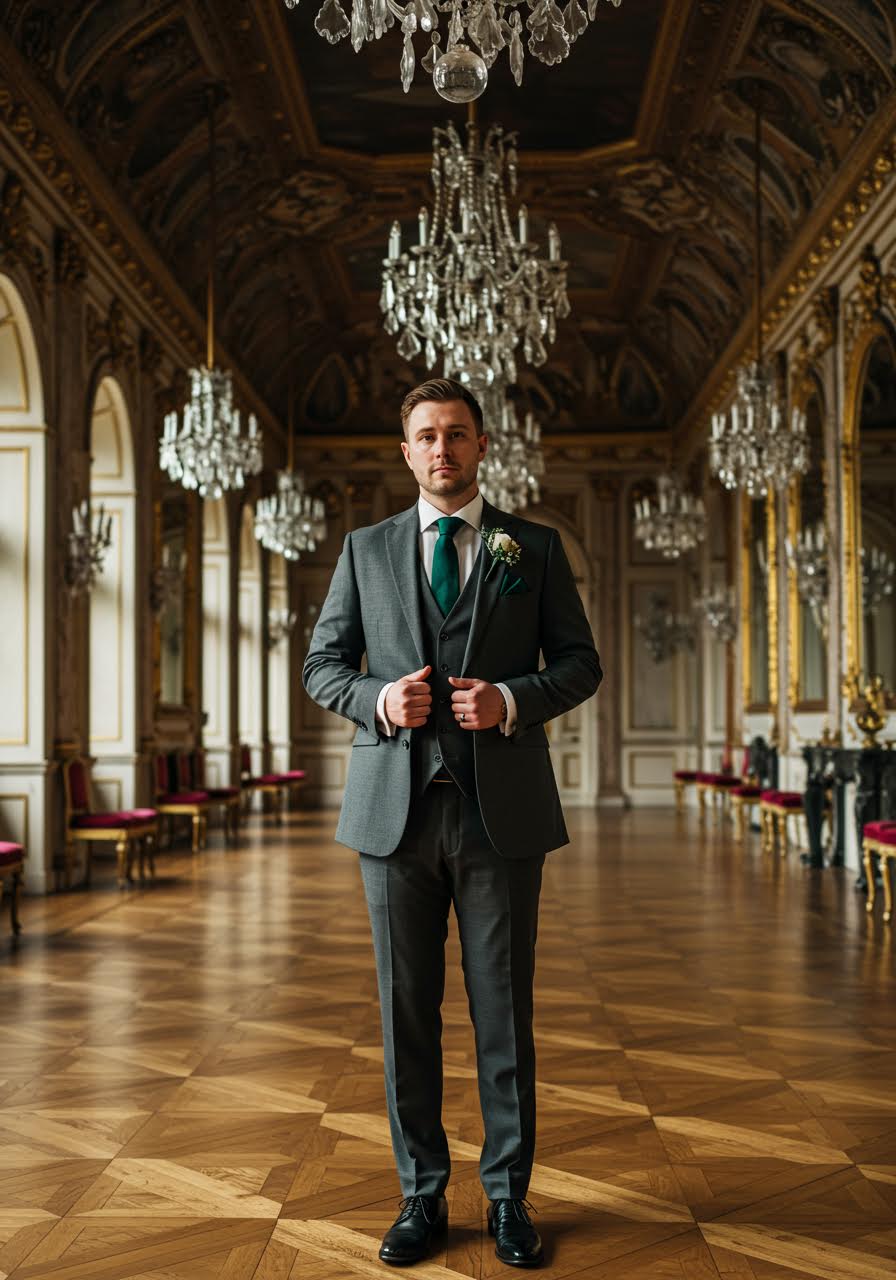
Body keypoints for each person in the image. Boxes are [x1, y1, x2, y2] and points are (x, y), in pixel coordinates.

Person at [302, 377, 602, 1268]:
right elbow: (322, 665)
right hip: (391, 818)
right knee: (406, 1017)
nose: (443, 449)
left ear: (482, 446)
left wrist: (512, 698)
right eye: (427, 436)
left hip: (499, 818)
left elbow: (580, 665)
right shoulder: (365, 549)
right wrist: (377, 697)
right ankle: (421, 1196)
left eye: (458, 435)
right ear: (407, 452)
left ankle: (508, 1197)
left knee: (503, 1015)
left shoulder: (532, 548)